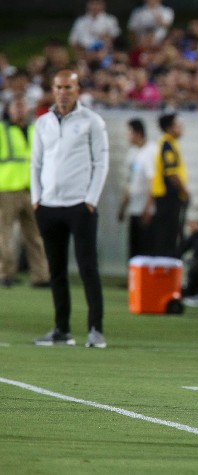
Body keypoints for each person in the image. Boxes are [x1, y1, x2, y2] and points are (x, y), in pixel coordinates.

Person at [31, 69, 109, 348]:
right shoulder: (43, 123)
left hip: (80, 206)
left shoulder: (92, 121)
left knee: (88, 268)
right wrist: (37, 199)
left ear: (77, 90)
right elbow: (36, 163)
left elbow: (101, 162)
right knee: (56, 271)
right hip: (49, 206)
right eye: (58, 87)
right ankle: (62, 329)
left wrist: (91, 200)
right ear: (53, 89)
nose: (63, 92)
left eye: (68, 87)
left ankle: (95, 330)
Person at [0, 95, 50, 288]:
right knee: (5, 235)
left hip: (32, 189)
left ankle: (41, 276)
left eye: (23, 105)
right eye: (16, 106)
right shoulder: (2, 130)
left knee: (36, 235)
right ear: (9, 110)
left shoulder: (34, 129)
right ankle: (5, 273)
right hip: (7, 188)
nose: (20, 109)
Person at [148, 112, 189, 258]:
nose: (181, 128)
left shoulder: (169, 143)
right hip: (168, 197)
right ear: (169, 128)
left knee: (167, 234)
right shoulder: (167, 144)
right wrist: (184, 192)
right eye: (178, 126)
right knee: (167, 236)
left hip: (168, 197)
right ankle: (164, 269)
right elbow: (171, 173)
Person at [117, 118, 155, 259]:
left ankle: (144, 280)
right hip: (134, 207)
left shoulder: (151, 151)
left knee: (145, 248)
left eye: (129, 133)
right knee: (133, 247)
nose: (127, 136)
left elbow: (153, 181)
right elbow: (130, 182)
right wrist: (123, 207)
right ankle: (133, 280)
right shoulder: (133, 152)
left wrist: (148, 208)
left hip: (146, 210)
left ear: (137, 133)